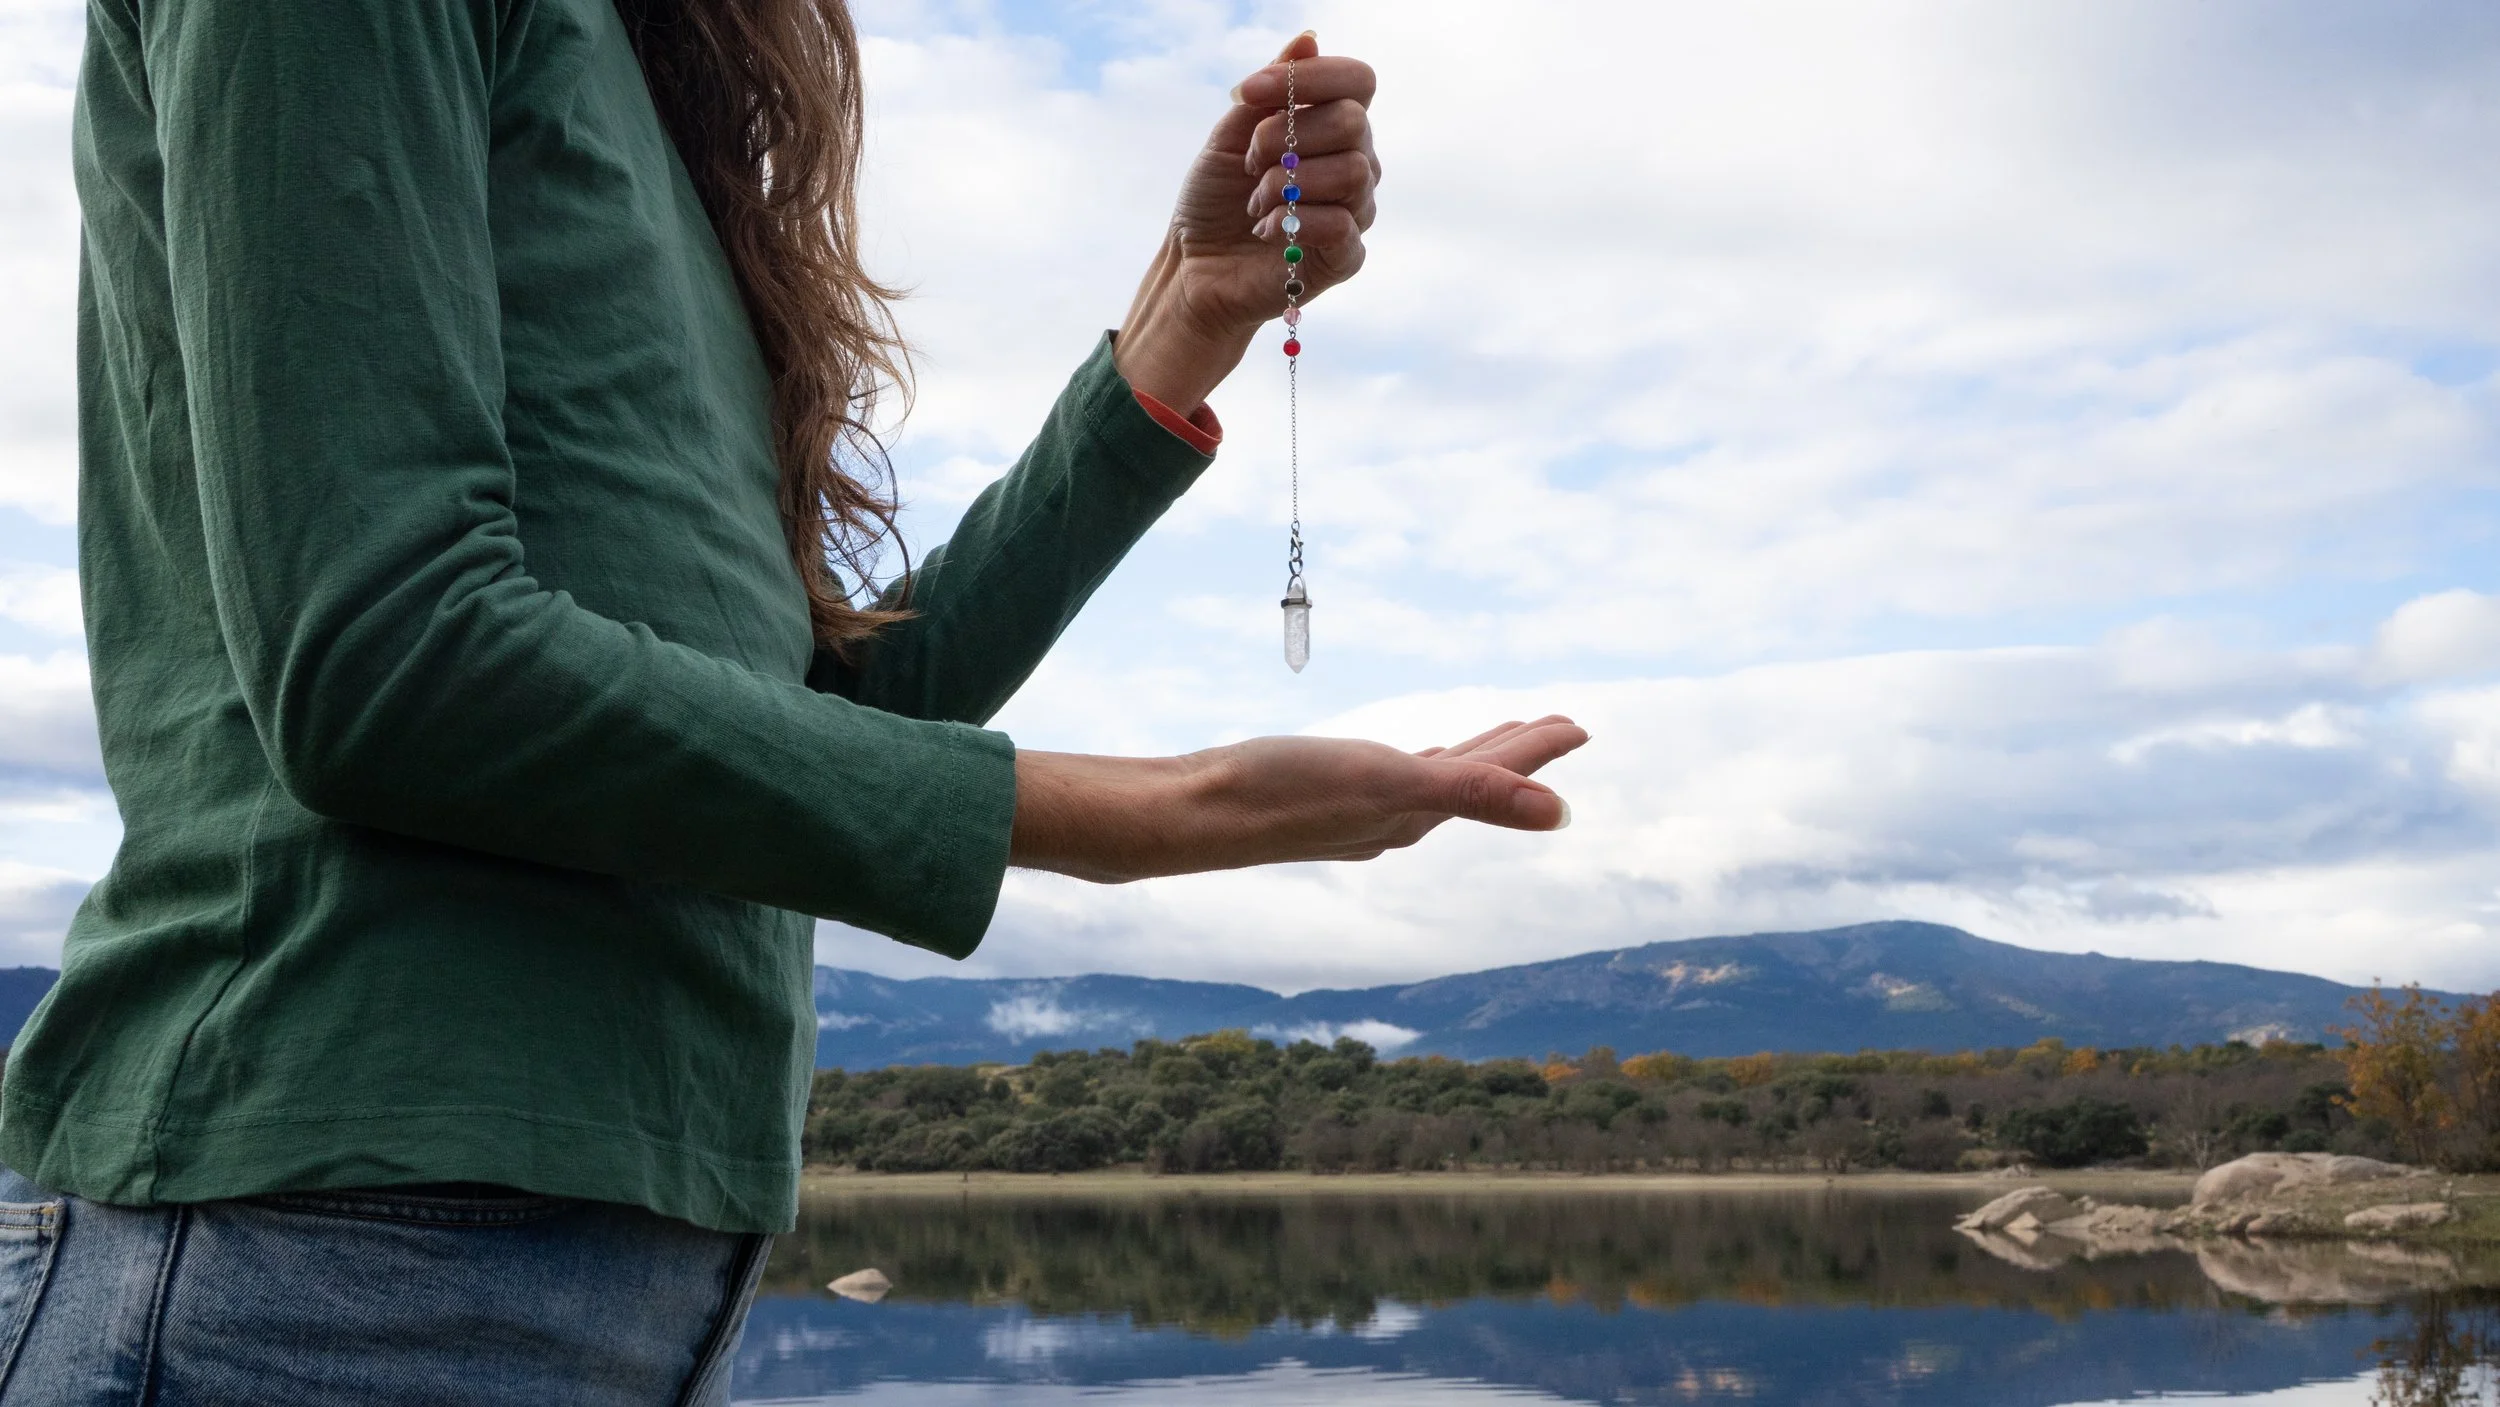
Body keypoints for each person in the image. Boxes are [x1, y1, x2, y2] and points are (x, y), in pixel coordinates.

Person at [0, 1, 1586, 1400]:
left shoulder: (647, 86)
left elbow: (818, 713)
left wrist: (1181, 328)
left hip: (628, 1274)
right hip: (321, 1265)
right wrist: (1166, 814)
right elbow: (388, 657)